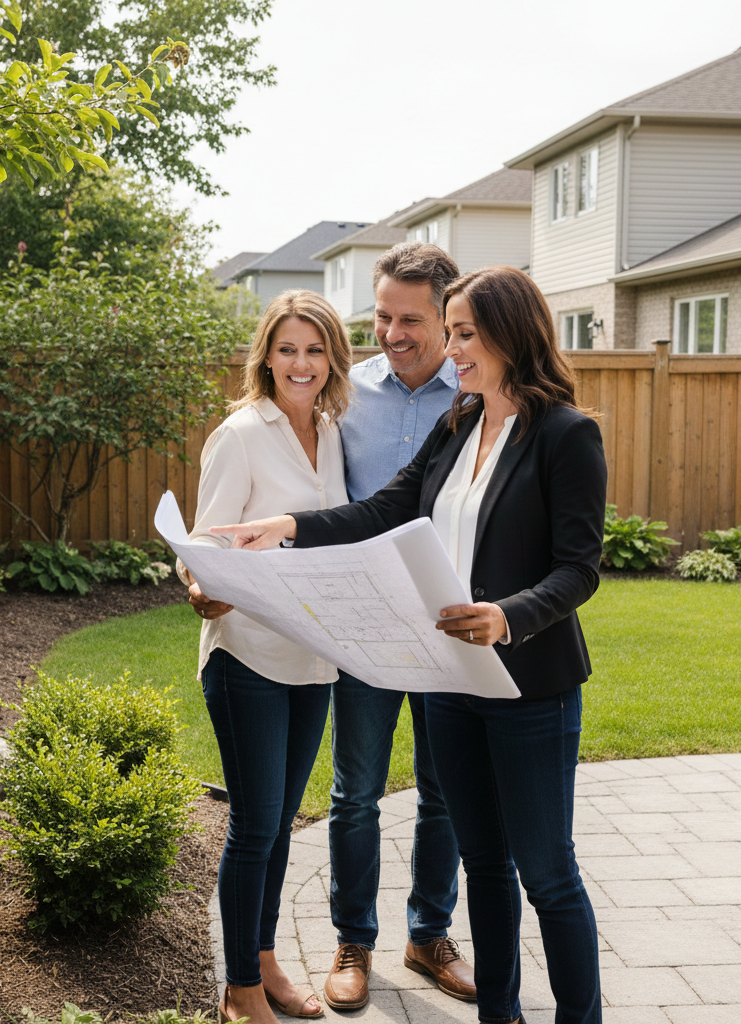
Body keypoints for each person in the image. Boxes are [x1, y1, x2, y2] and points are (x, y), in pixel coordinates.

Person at [212, 266, 608, 1024]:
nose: (451, 350)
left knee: (547, 874)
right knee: (486, 866)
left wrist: (508, 616)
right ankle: (502, 1013)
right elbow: (390, 506)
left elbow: (579, 568)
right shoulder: (460, 420)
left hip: (530, 686)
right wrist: (288, 528)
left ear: (508, 335)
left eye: (464, 334)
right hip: (450, 681)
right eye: (452, 332)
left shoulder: (565, 433)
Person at [176, 290, 353, 1024]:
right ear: (266, 356)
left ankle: (266, 959)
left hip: (312, 656)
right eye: (287, 349)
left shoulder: (336, 432)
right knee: (254, 823)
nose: (301, 363)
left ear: (333, 358)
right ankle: (239, 990)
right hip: (247, 654)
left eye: (314, 350)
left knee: (282, 821)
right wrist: (199, 585)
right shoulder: (241, 433)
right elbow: (204, 545)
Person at [322, 242, 474, 1009]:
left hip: (451, 628)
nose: (391, 332)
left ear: (449, 321)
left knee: (444, 793)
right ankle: (354, 939)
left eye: (410, 319)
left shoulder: (479, 396)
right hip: (364, 629)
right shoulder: (344, 393)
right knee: (355, 793)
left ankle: (429, 934)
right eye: (382, 315)